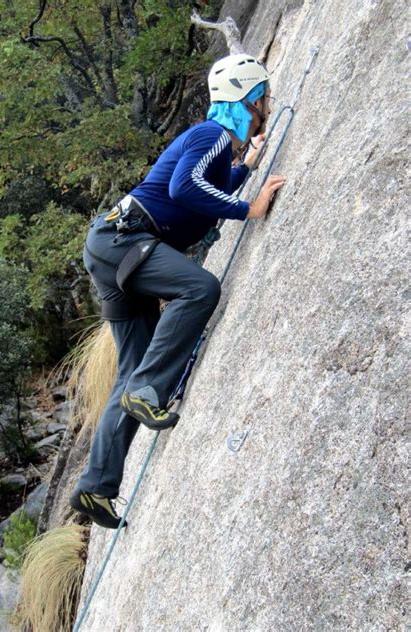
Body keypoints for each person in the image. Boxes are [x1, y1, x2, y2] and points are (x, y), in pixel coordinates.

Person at [70, 54, 286, 529]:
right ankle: (150, 389)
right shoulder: (210, 135)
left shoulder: (218, 145)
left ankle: (95, 487)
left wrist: (244, 167)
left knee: (132, 370)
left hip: (113, 248)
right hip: (127, 241)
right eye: (263, 97)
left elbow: (200, 187)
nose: (266, 106)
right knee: (200, 289)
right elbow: (184, 187)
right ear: (249, 99)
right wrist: (249, 208)